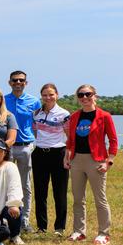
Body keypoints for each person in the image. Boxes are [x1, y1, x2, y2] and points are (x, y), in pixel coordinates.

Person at [66, 84, 117, 245]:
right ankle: (79, 232)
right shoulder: (74, 116)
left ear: (95, 96)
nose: (85, 98)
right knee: (78, 199)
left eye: (88, 94)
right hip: (76, 161)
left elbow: (113, 140)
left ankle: (104, 233)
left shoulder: (104, 116)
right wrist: (67, 157)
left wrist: (109, 161)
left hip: (96, 161)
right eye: (81, 95)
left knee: (100, 199)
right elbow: (71, 140)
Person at [31, 83, 71, 235]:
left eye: (51, 94)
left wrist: (68, 156)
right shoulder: (36, 113)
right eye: (45, 95)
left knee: (59, 192)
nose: (48, 97)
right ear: (41, 96)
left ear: (57, 95)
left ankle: (59, 228)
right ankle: (41, 227)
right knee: (40, 192)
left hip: (58, 154)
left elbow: (69, 136)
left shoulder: (63, 113)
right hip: (40, 153)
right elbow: (36, 134)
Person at [5, 71, 41, 232]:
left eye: (21, 80)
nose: (18, 82)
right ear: (10, 82)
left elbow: (39, 124)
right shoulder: (3, 100)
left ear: (26, 82)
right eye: (15, 80)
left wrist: (36, 142)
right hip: (7, 147)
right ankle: (5, 218)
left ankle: (24, 220)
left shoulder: (34, 102)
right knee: (6, 183)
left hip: (26, 146)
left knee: (25, 184)